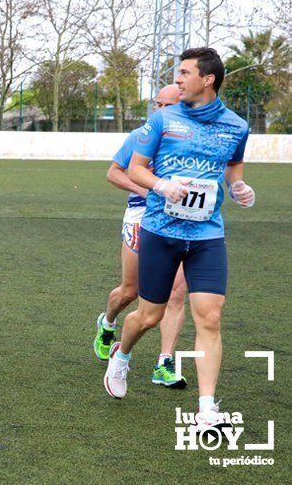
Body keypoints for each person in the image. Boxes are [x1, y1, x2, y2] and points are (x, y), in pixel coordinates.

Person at [103, 48, 255, 429]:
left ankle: (206, 410)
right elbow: (134, 170)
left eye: (184, 73)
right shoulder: (162, 120)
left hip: (207, 234)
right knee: (149, 316)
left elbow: (234, 166)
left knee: (211, 317)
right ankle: (121, 356)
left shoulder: (237, 126)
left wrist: (239, 187)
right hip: (161, 230)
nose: (178, 81)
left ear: (208, 79)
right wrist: (162, 185)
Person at [94, 84, 188, 389]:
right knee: (130, 291)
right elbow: (113, 173)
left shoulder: (192, 138)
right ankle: (107, 323)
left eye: (166, 106)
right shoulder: (142, 135)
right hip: (141, 217)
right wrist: (143, 188)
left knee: (175, 293)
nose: (159, 111)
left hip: (181, 221)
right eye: (157, 104)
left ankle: (165, 363)